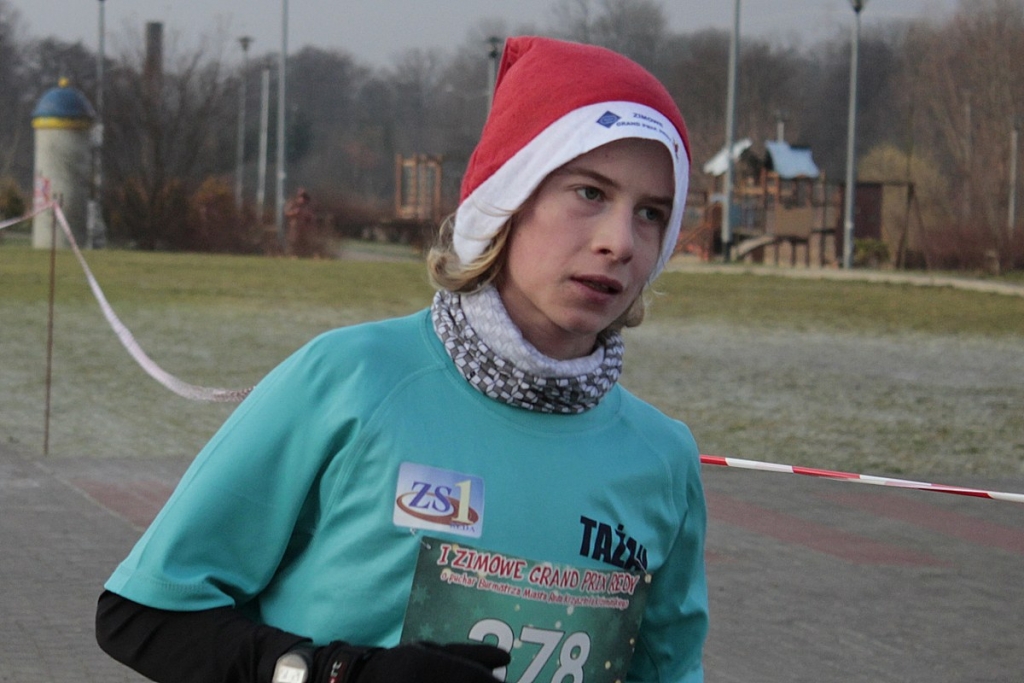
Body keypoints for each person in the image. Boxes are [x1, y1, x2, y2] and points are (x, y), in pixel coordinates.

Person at [96, 36, 708, 683]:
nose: (620, 241)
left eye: (651, 213)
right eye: (589, 193)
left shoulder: (663, 460)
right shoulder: (351, 378)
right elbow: (141, 614)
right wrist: (340, 673)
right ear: (507, 198)